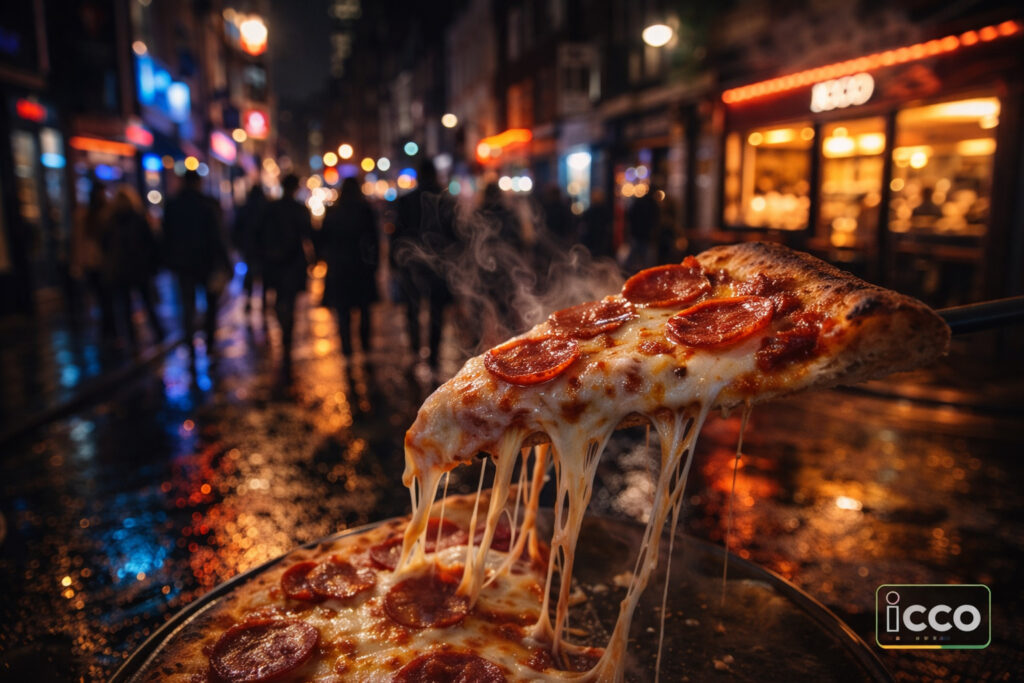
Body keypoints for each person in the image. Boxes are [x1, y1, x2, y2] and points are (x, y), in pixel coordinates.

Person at [162, 170, 230, 359]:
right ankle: (209, 344)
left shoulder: (173, 205)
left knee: (187, 306)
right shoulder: (208, 205)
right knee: (211, 305)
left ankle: (190, 346)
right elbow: (218, 236)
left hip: (183, 265)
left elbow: (166, 237)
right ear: (199, 183)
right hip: (206, 263)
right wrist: (225, 261)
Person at [393, 161, 454, 368]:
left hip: (411, 264)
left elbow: (397, 235)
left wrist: (395, 262)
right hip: (439, 264)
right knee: (437, 311)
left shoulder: (406, 200)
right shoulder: (445, 200)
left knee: (413, 308)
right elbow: (454, 235)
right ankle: (433, 356)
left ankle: (415, 350)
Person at [321, 177, 380, 357]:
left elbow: (323, 240)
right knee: (364, 310)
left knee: (343, 311)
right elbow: (374, 240)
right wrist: (374, 264)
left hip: (339, 268)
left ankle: (347, 349)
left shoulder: (333, 212)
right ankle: (365, 347)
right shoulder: (365, 211)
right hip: (361, 267)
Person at [262, 174, 314, 379]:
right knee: (289, 301)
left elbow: (258, 235)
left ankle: (285, 334)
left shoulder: (271, 208)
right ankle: (287, 338)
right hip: (292, 264)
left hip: (275, 264)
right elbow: (309, 235)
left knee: (280, 299)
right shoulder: (298, 209)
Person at [103, 185, 165, 347]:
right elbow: (151, 244)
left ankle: (132, 339)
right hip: (139, 269)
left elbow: (106, 246)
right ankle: (158, 332)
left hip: (122, 269)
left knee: (125, 306)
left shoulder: (112, 222)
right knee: (147, 301)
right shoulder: (138, 219)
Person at [70, 181, 115, 338]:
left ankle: (110, 331)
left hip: (103, 262)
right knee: (103, 299)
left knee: (106, 299)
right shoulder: (86, 215)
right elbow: (79, 241)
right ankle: (108, 331)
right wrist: (78, 263)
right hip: (95, 262)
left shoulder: (107, 213)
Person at [232, 184, 268, 316]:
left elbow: (236, 229)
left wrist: (239, 245)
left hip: (249, 248)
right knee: (263, 275)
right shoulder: (266, 209)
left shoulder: (244, 209)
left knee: (250, 275)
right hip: (263, 249)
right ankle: (264, 304)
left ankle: (248, 301)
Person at [579, 188, 614, 260]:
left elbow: (583, 223)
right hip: (600, 235)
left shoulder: (590, 211)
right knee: (600, 254)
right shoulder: (605, 211)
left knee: (592, 254)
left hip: (591, 235)